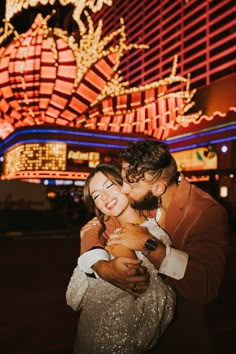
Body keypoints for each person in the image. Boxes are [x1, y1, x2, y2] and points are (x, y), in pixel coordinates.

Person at [79, 140, 229, 354]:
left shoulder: (206, 213)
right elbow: (96, 226)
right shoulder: (143, 195)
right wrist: (101, 266)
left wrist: (149, 245)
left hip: (181, 337)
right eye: (124, 180)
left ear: (158, 188)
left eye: (131, 185)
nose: (123, 189)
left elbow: (206, 286)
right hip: (135, 334)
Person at [66, 163, 176, 354]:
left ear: (126, 184)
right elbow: (74, 296)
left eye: (109, 186)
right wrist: (101, 268)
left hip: (121, 343)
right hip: (86, 336)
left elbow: (158, 304)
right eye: (97, 195)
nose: (105, 197)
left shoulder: (154, 236)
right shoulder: (98, 232)